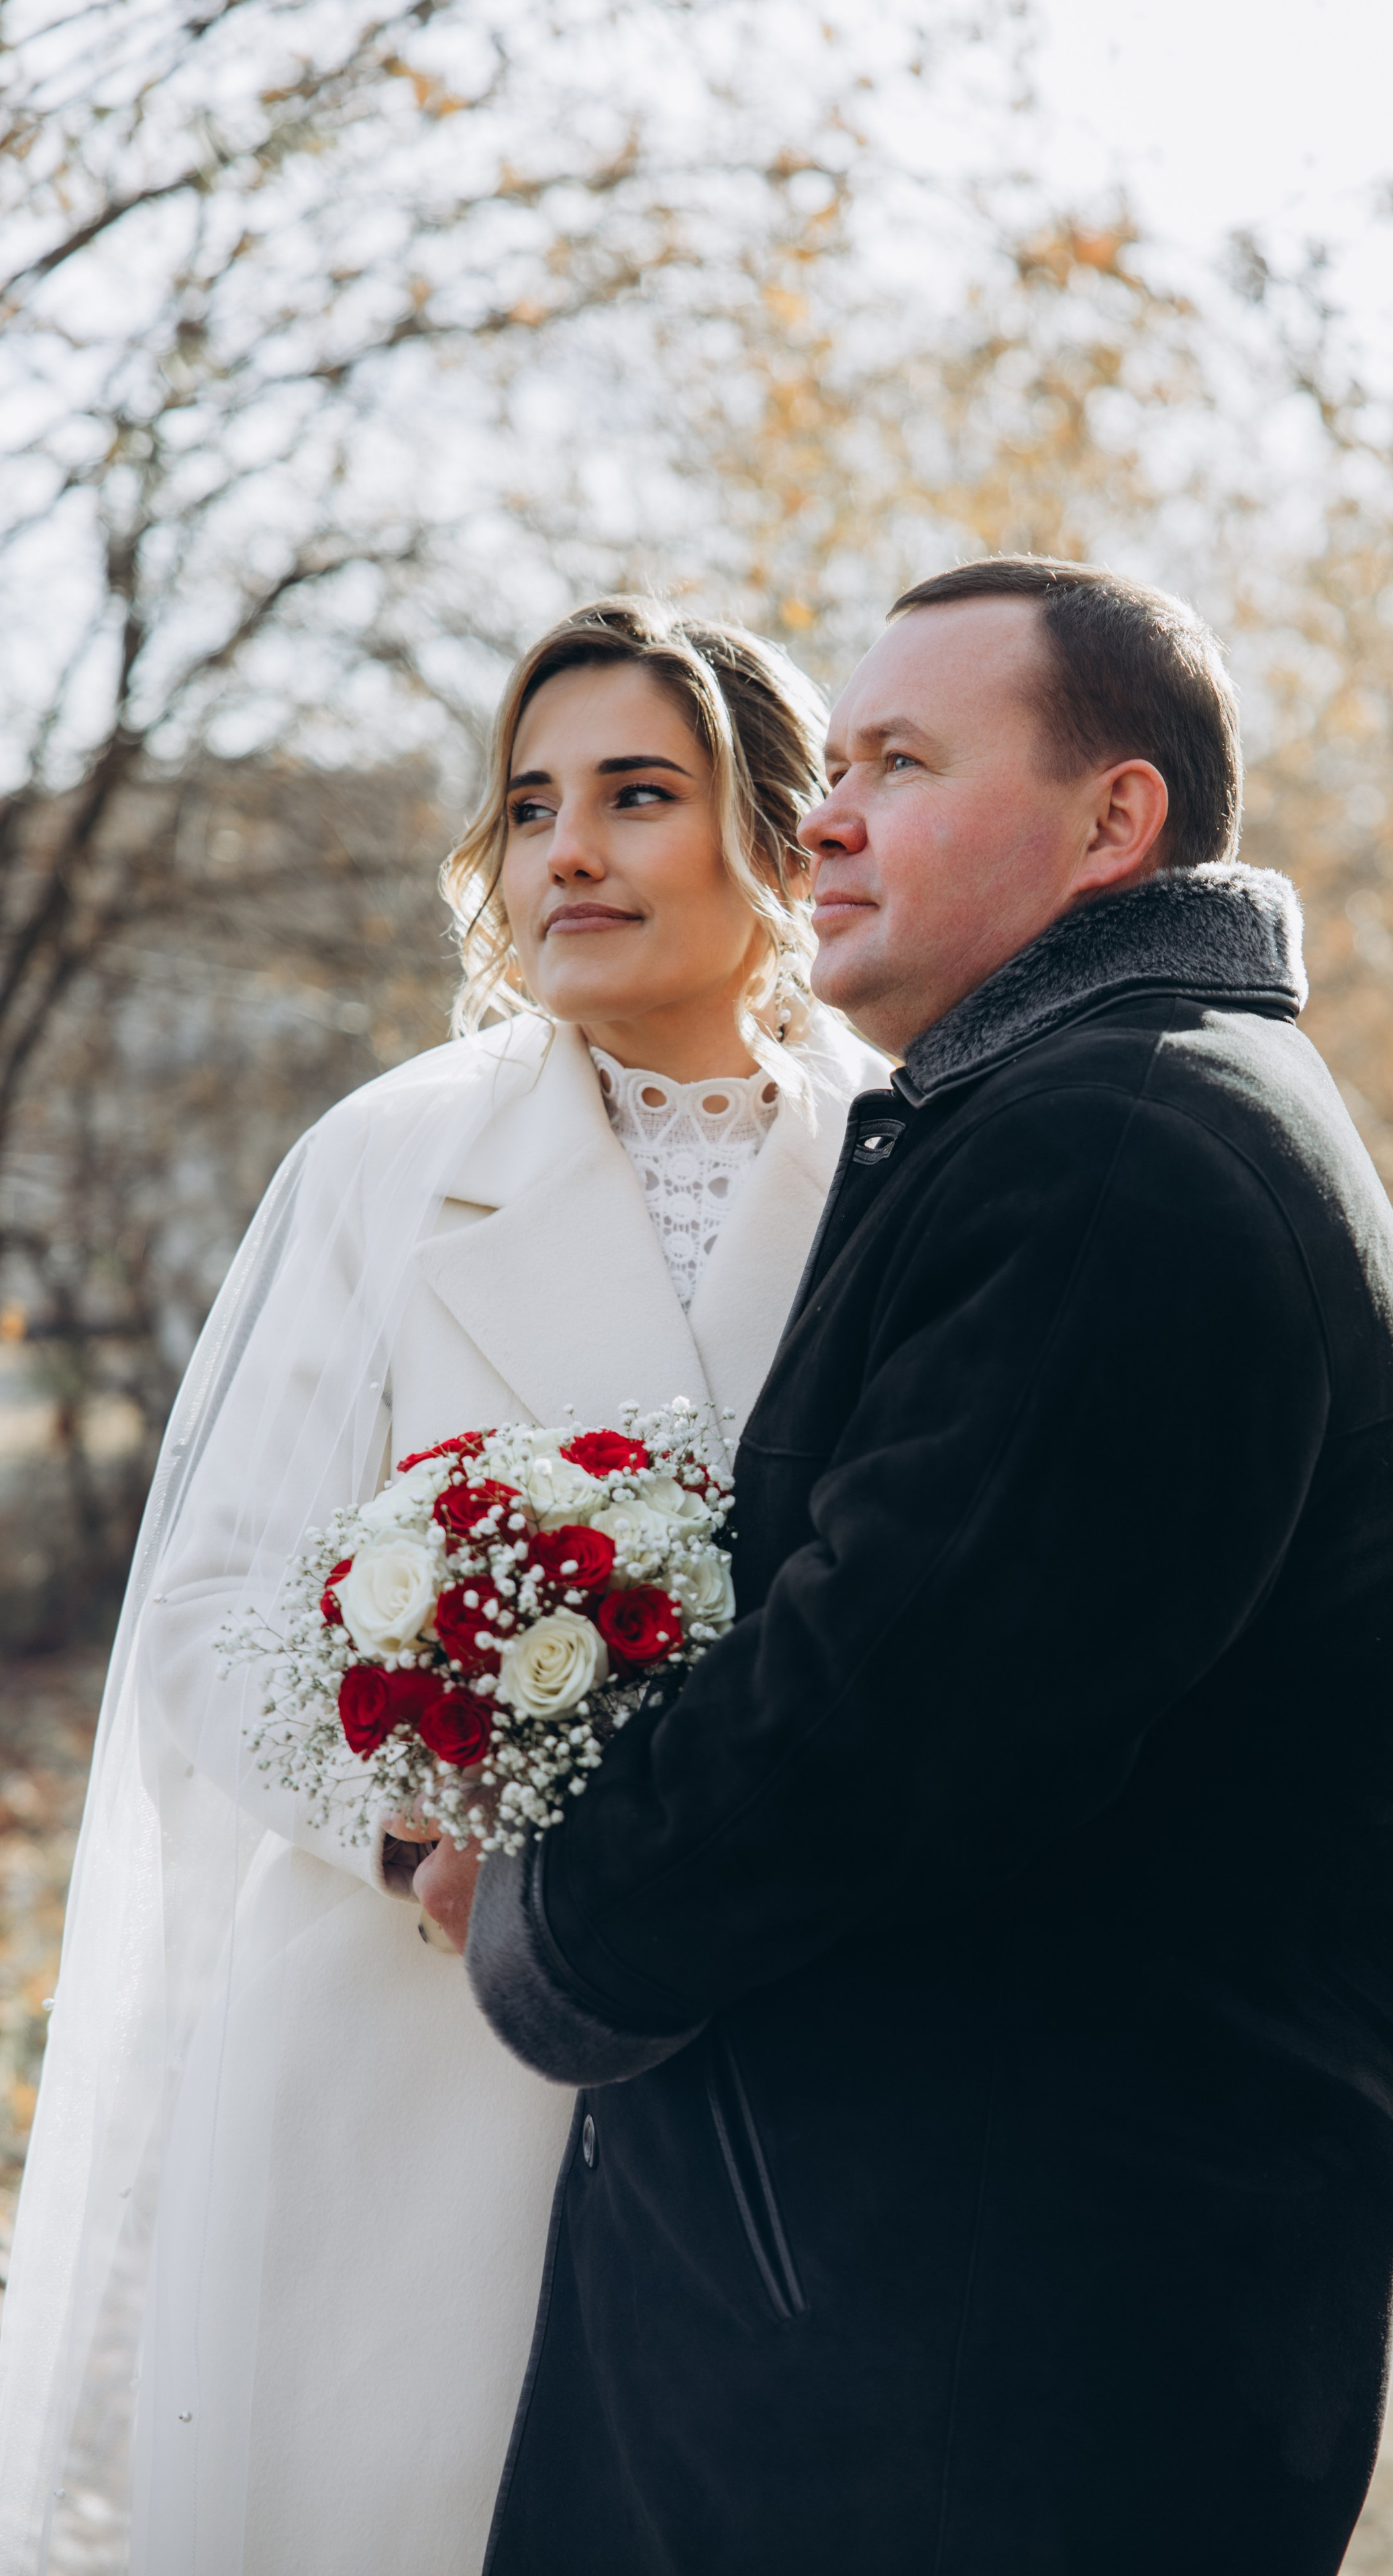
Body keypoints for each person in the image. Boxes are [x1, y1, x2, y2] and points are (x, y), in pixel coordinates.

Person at [454, 558, 1393, 2576]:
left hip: (970, 2364)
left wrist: (545, 1914)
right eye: (831, 763)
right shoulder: (1094, 1110)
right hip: (960, 2305)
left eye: (898, 763)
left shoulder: (1121, 1153)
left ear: (1115, 821)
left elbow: (865, 1726)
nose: (821, 815)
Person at [0, 600, 886, 2575]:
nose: (566, 849)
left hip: (791, 2043)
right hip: (418, 2028)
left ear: (778, 824)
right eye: (529, 803)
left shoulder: (906, 1164)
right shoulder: (389, 1162)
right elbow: (221, 1611)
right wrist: (427, 1837)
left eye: (638, 795)